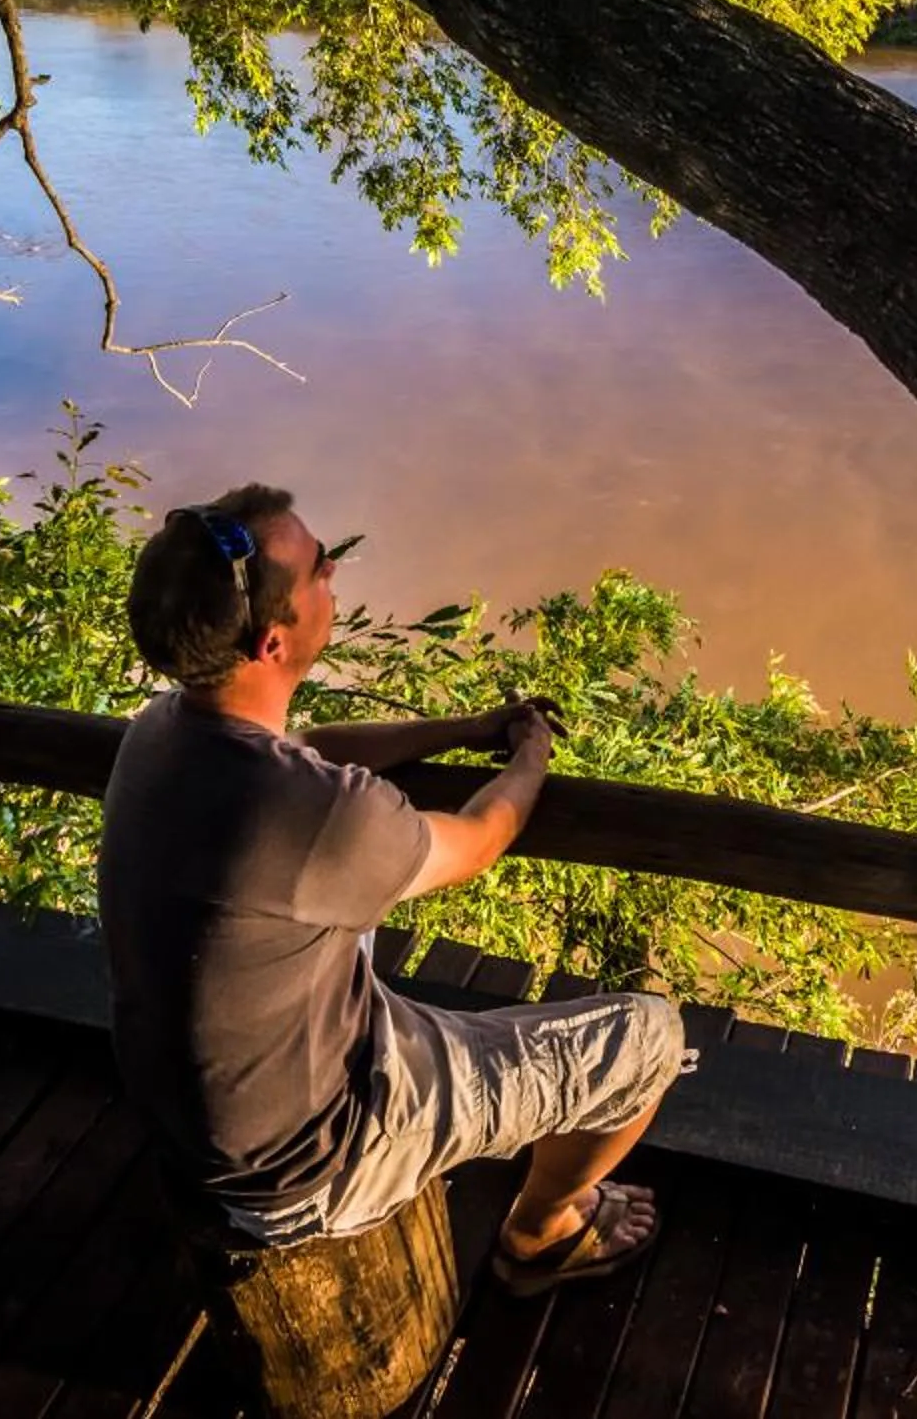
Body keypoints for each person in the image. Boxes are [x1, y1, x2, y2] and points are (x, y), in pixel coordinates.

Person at [99, 483, 687, 1295]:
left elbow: (309, 749)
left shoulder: (164, 729)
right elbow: (480, 839)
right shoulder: (315, 816)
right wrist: (531, 752)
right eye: (318, 568)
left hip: (200, 1123)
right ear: (274, 642)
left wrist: (464, 729)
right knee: (650, 1038)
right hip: (314, 1164)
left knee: (352, 927)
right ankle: (540, 1233)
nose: (333, 571)